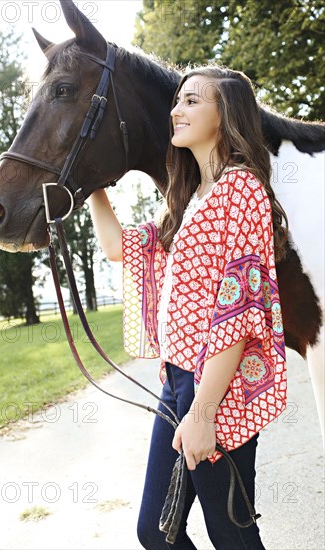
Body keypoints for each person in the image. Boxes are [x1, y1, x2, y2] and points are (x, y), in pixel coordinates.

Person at [89, 65, 288, 550]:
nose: (177, 109)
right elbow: (118, 247)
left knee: (231, 534)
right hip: (177, 383)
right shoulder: (190, 198)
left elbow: (239, 311)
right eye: (178, 100)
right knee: (156, 531)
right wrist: (92, 182)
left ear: (227, 114)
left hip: (218, 391)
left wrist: (203, 412)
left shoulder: (241, 189)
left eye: (194, 100)